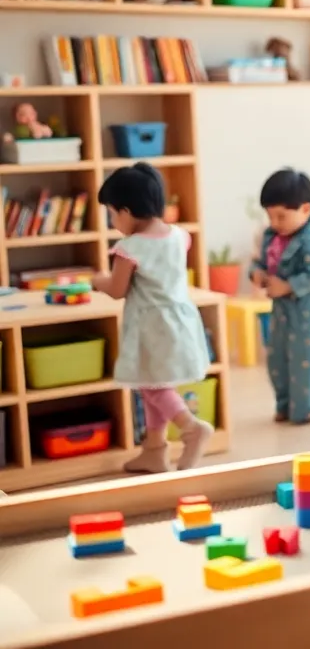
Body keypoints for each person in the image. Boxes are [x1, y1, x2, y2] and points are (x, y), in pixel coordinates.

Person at [92, 163, 214, 473]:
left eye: (112, 213)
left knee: (153, 387)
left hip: (152, 327)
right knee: (154, 382)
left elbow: (118, 290)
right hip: (181, 320)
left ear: (127, 211)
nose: (113, 221)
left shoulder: (129, 248)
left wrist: (97, 281)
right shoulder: (178, 236)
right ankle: (155, 449)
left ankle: (190, 427)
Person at [248, 169, 310, 424]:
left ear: (305, 209)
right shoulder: (273, 236)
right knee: (278, 358)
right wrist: (257, 274)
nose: (275, 222)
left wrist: (287, 286)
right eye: (270, 216)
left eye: (281, 216)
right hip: (284, 311)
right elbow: (259, 262)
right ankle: (286, 404)